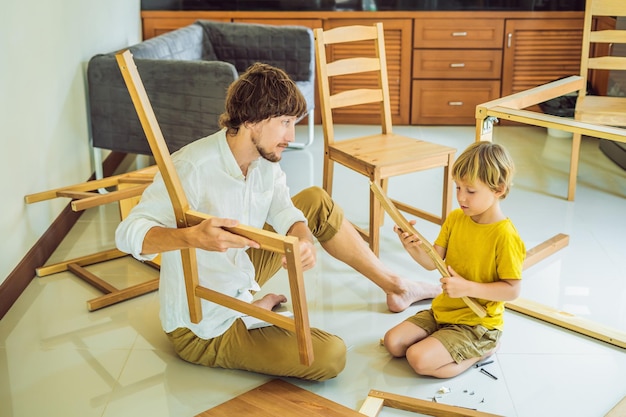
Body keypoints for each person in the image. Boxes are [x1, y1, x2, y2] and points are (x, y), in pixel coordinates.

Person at [115, 62, 440, 381]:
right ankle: (248, 311)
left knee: (315, 200)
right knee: (331, 356)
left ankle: (397, 286)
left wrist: (302, 237)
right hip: (205, 324)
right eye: (284, 122)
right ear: (252, 121)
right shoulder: (192, 167)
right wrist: (192, 237)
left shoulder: (263, 160)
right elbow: (128, 234)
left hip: (237, 269)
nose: (291, 135)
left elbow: (285, 210)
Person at [383, 141, 526, 379]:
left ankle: (484, 349)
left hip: (477, 324)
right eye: (458, 188)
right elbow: (432, 262)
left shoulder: (505, 235)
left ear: (498, 189)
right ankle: (444, 343)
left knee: (418, 359)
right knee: (393, 343)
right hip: (444, 311)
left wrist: (467, 288)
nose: (461, 197)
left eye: (470, 191)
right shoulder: (456, 218)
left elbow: (512, 291)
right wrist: (411, 246)